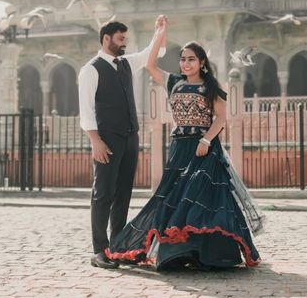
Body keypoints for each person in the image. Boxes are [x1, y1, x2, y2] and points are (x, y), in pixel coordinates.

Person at [106, 18, 261, 270]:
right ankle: (178, 253)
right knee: (174, 197)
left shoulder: (211, 86)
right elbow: (149, 64)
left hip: (204, 148)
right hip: (180, 147)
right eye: (182, 59)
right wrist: (160, 33)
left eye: (191, 59)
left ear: (201, 62)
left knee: (202, 198)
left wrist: (206, 139)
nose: (185, 63)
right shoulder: (173, 82)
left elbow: (221, 118)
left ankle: (209, 254)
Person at [78, 16, 166, 269]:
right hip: (106, 137)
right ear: (106, 39)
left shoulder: (126, 63)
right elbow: (86, 109)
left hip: (130, 136)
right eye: (120, 39)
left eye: (125, 39)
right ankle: (99, 250)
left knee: (123, 192)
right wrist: (95, 141)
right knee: (103, 193)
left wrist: (161, 29)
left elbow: (155, 51)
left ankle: (117, 246)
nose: (124, 43)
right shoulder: (91, 69)